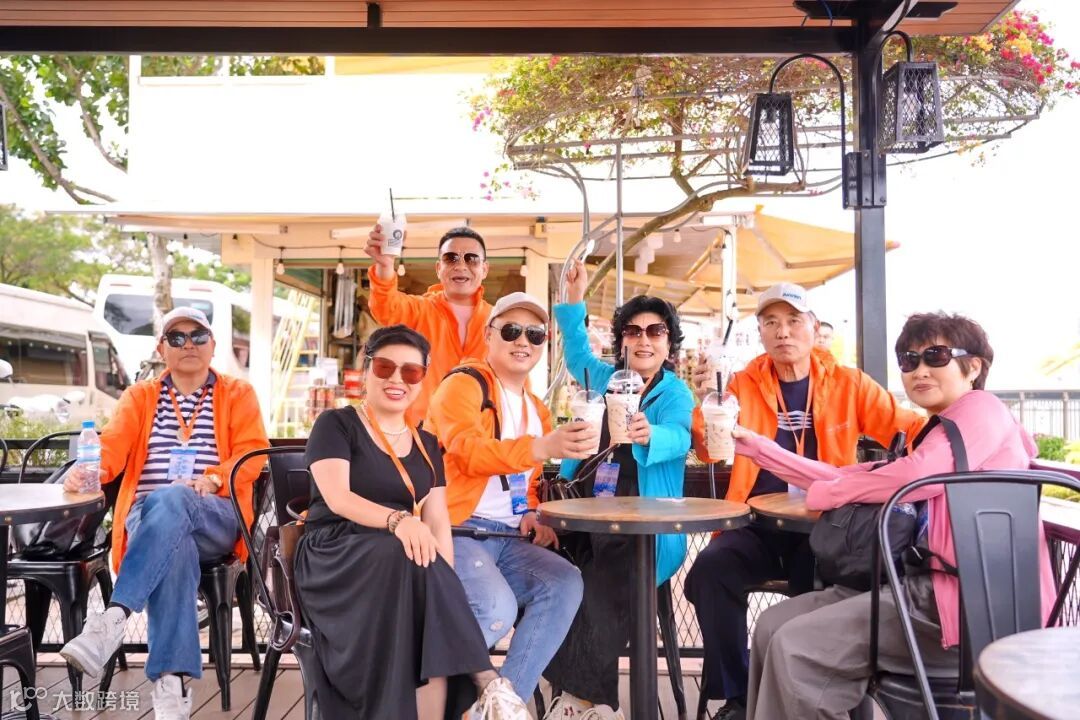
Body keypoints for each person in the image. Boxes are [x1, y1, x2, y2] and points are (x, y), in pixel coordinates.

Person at [740, 312, 1057, 719]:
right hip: (918, 587)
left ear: (974, 367)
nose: (919, 370)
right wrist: (761, 450)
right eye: (909, 360)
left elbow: (915, 477)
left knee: (796, 647)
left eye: (936, 356)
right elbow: (856, 475)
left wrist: (828, 494)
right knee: (771, 626)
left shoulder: (982, 409)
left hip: (965, 607)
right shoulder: (940, 432)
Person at [684, 282, 926, 719]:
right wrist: (708, 406)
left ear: (813, 327)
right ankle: (737, 698)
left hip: (826, 527)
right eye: (771, 322)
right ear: (760, 332)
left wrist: (953, 436)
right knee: (710, 571)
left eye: (794, 321)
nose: (783, 332)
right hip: (756, 523)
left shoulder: (849, 382)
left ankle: (811, 699)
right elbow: (710, 450)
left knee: (819, 588)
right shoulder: (742, 383)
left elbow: (905, 427)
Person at [295, 325, 528, 720]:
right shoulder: (336, 424)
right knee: (409, 554)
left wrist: (442, 584)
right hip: (336, 553)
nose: (397, 380)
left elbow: (437, 519)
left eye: (411, 372)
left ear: (423, 379)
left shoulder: (426, 442)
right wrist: (398, 520)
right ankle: (486, 679)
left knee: (424, 602)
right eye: (385, 367)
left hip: (399, 561)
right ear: (367, 369)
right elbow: (338, 498)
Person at [59, 307, 269, 720]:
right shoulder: (139, 397)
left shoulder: (237, 393)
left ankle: (114, 617)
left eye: (198, 336)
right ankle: (171, 685)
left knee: (175, 499)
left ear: (212, 345)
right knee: (176, 545)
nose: (188, 344)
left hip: (216, 512)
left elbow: (253, 454)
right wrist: (89, 471)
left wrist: (213, 478)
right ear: (161, 349)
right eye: (176, 337)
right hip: (149, 516)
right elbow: (111, 448)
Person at [543, 260, 696, 720]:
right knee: (551, 573)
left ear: (668, 343)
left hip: (646, 528)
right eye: (633, 331)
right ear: (622, 341)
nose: (644, 340)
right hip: (583, 514)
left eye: (655, 331)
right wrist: (573, 300)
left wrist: (653, 435)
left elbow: (682, 435)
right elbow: (576, 354)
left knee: (605, 574)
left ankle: (582, 701)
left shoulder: (675, 394)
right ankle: (558, 690)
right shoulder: (607, 379)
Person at [425, 292, 591, 704]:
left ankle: (503, 706)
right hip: (457, 530)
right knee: (494, 609)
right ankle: (414, 680)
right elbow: (467, 452)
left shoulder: (537, 408)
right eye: (512, 330)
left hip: (508, 536)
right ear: (489, 335)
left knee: (564, 582)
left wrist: (531, 510)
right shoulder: (463, 385)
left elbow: (525, 481)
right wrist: (540, 447)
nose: (523, 341)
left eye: (535, 334)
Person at [366, 224, 493, 425]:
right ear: (438, 268)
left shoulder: (498, 321)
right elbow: (386, 306)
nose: (461, 266)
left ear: (484, 269)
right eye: (450, 258)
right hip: (421, 433)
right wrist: (385, 265)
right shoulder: (419, 310)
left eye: (472, 259)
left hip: (479, 435)